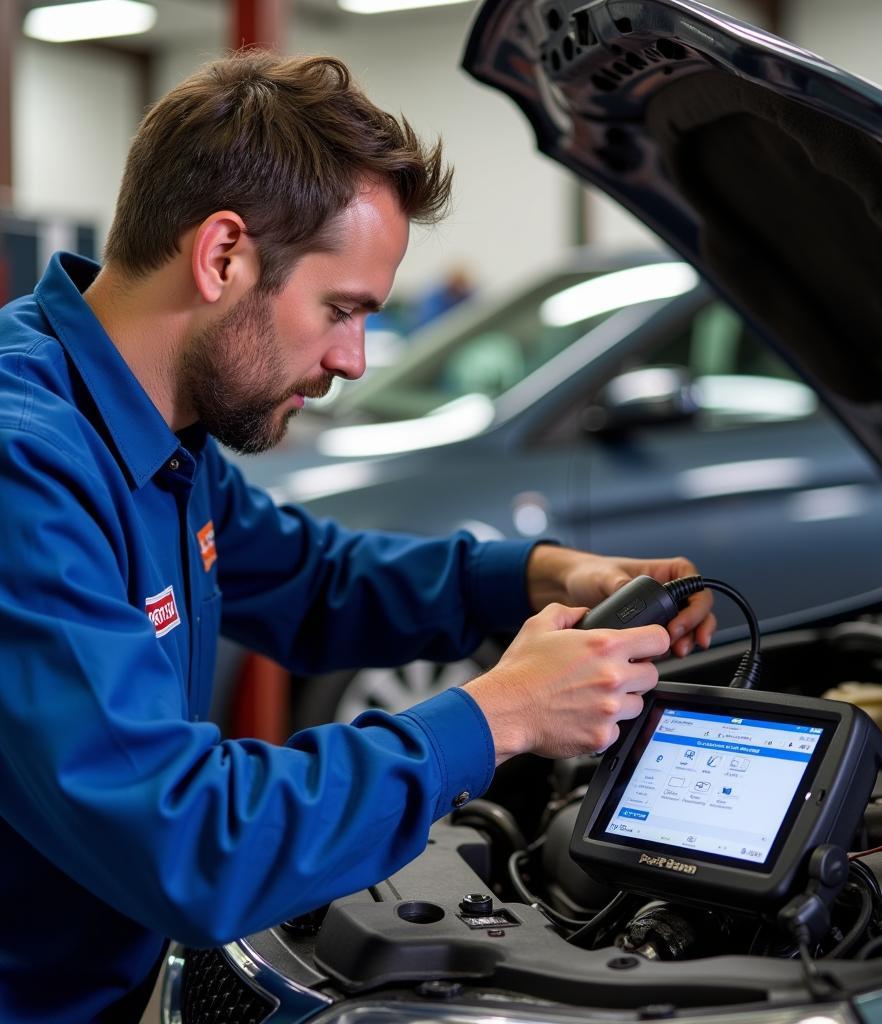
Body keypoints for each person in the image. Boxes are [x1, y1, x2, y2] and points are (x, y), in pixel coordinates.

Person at [0, 51, 715, 1022]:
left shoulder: (150, 428)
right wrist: (497, 716)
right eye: (340, 310)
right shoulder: (26, 467)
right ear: (221, 256)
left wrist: (538, 575)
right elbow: (190, 841)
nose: (352, 358)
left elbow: (313, 577)